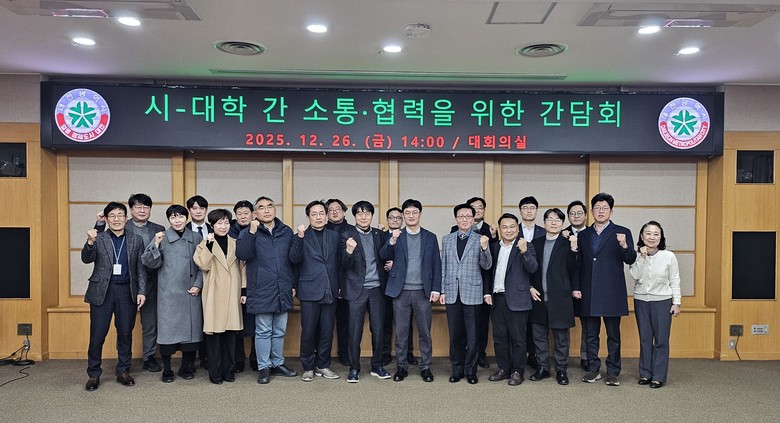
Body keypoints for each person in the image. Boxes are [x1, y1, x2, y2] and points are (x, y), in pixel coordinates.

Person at [94, 193, 165, 373]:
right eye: (138, 207)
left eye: (146, 207)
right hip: (125, 284)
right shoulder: (121, 224)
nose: (142, 210)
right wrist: (100, 223)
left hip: (151, 281)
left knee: (150, 323)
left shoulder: (159, 229)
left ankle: (149, 357)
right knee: (117, 328)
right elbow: (97, 242)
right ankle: (107, 368)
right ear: (130, 211)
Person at [82, 202, 147, 391]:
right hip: (103, 291)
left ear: (126, 219)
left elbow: (140, 268)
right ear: (107, 219)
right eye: (112, 215)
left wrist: (142, 291)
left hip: (126, 291)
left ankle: (123, 371)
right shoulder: (99, 237)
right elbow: (86, 258)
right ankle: (93, 374)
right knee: (97, 334)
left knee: (125, 333)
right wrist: (90, 242)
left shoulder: (136, 239)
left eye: (120, 215)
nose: (116, 219)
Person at [576, 192, 637, 386]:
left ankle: (613, 371)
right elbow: (578, 264)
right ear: (591, 211)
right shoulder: (583, 234)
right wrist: (577, 287)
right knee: (590, 334)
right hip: (589, 290)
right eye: (597, 208)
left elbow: (630, 259)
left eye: (605, 208)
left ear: (611, 211)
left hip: (612, 291)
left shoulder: (622, 232)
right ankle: (593, 369)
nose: (601, 211)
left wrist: (624, 245)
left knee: (613, 335)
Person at [236, 196, 298, 384]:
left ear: (275, 210)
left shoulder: (286, 231)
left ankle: (278, 363)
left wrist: (292, 284)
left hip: (283, 287)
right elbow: (243, 254)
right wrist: (252, 232)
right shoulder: (248, 232)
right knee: (263, 330)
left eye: (270, 206)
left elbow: (292, 261)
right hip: (261, 288)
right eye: (261, 208)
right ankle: (264, 367)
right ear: (255, 213)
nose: (267, 210)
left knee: (279, 330)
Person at [380, 199, 441, 383]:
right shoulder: (397, 236)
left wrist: (436, 288)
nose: (411, 216)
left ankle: (426, 366)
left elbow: (436, 264)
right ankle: (401, 366)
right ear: (403, 216)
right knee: (401, 332)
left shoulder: (430, 237)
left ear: (420, 214)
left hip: (423, 291)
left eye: (414, 212)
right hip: (401, 291)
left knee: (425, 332)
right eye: (407, 213)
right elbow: (383, 255)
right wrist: (392, 240)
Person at [141, 204, 204, 383]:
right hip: (168, 293)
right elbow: (149, 263)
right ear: (169, 220)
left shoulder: (196, 237)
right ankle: (167, 369)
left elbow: (204, 265)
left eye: (181, 216)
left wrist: (198, 284)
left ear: (187, 218)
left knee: (191, 334)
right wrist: (155, 244)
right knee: (168, 334)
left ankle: (186, 366)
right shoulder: (161, 237)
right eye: (173, 217)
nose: (177, 221)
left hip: (190, 292)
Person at [290, 200, 341, 382]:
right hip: (309, 289)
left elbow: (338, 263)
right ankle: (308, 367)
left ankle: (323, 365)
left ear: (326, 216)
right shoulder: (300, 236)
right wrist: (300, 238)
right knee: (308, 331)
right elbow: (294, 259)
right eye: (314, 214)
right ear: (308, 217)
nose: (318, 217)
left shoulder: (334, 236)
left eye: (321, 213)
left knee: (327, 331)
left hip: (330, 289)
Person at [440, 203, 492, 384]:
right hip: (452, 292)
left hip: (473, 292)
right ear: (456, 219)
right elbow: (443, 266)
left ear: (473, 219)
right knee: (455, 335)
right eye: (461, 216)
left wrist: (485, 248)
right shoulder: (447, 239)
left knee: (473, 336)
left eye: (468, 216)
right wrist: (442, 290)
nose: (464, 219)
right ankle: (457, 370)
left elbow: (487, 266)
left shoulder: (480, 239)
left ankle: (471, 371)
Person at [340, 201, 391, 382]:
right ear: (354, 216)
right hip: (357, 289)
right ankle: (354, 368)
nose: (363, 217)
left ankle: (377, 365)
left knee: (378, 329)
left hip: (377, 289)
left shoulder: (379, 234)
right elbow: (343, 265)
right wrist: (348, 251)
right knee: (354, 331)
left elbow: (385, 255)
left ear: (372, 216)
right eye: (360, 214)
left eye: (367, 213)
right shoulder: (346, 235)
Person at [194, 209, 246, 384]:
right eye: (219, 223)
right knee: (214, 336)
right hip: (215, 293)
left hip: (233, 292)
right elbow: (203, 264)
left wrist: (244, 291)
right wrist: (209, 245)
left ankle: (229, 371)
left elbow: (243, 268)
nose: (223, 226)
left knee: (231, 335)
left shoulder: (236, 243)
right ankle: (215, 374)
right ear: (212, 225)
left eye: (226, 223)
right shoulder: (205, 243)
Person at [529, 208, 580, 385]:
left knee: (561, 338)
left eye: (557, 220)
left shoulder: (568, 243)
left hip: (560, 297)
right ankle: (543, 367)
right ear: (544, 223)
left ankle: (561, 370)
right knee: (539, 336)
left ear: (562, 224)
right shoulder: (535, 243)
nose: (553, 222)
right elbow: (528, 268)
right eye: (549, 219)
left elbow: (574, 268)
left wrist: (574, 248)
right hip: (538, 297)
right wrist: (529, 287)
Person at [485, 213, 537, 386]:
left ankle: (517, 371)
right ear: (500, 229)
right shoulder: (494, 247)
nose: (509, 230)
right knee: (499, 337)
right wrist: (487, 293)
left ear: (517, 228)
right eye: (505, 227)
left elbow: (533, 268)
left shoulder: (526, 245)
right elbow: (488, 272)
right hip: (497, 298)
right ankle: (504, 368)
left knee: (518, 338)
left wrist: (524, 252)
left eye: (512, 226)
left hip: (518, 299)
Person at [629, 221, 681, 389]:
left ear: (661, 237)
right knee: (645, 339)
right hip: (641, 301)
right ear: (642, 236)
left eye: (656, 234)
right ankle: (645, 374)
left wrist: (677, 302)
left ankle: (658, 376)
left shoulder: (669, 256)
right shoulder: (636, 255)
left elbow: (675, 280)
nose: (652, 237)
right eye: (648, 233)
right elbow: (635, 275)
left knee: (661, 340)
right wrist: (642, 257)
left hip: (662, 301)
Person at [450, 196, 497, 369]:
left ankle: (477, 360)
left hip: (479, 286)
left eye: (479, 207)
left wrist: (491, 240)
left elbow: (490, 263)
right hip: (456, 290)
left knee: (478, 328)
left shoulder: (488, 231)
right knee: (458, 331)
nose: (476, 210)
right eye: (472, 208)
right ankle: (459, 364)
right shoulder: (451, 234)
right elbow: (449, 263)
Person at [381, 207, 418, 366]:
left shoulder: (407, 235)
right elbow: (378, 256)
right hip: (385, 286)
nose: (395, 220)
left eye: (398, 218)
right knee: (386, 321)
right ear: (387, 220)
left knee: (406, 323)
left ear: (402, 220)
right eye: (392, 217)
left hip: (404, 287)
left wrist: (395, 265)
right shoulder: (381, 235)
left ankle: (408, 353)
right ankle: (385, 353)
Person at [228, 200, 257, 373]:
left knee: (256, 323)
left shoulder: (258, 230)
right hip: (233, 284)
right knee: (235, 323)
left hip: (255, 283)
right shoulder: (229, 231)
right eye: (239, 214)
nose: (243, 216)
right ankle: (237, 359)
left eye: (246, 213)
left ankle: (255, 358)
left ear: (253, 214)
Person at [518, 195, 544, 370]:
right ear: (520, 211)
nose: (528, 211)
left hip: (538, 282)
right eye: (525, 208)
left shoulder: (544, 231)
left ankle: (534, 355)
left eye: (532, 208)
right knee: (520, 323)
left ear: (536, 210)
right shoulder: (512, 230)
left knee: (536, 321)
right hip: (517, 283)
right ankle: (520, 356)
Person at [563, 200, 590, 371]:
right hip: (565, 285)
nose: (576, 216)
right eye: (572, 213)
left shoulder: (592, 234)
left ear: (586, 215)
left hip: (587, 285)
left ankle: (586, 356)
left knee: (588, 324)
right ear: (568, 216)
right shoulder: (561, 234)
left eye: (579, 213)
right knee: (563, 323)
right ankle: (562, 358)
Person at [325, 198, 352, 367]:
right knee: (324, 323)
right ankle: (322, 357)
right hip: (326, 283)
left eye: (337, 209)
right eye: (330, 210)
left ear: (343, 211)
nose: (334, 212)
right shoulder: (322, 229)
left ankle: (345, 353)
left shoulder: (352, 230)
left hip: (347, 283)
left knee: (345, 322)